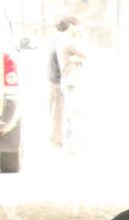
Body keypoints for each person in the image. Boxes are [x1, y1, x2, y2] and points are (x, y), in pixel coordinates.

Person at [55, 16, 87, 151]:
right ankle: (74, 144)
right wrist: (81, 35)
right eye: (76, 26)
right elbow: (86, 53)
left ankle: (70, 143)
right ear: (71, 26)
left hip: (69, 80)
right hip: (71, 81)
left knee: (71, 112)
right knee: (76, 113)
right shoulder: (68, 40)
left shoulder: (63, 39)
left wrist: (77, 58)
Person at [48, 18, 73, 148]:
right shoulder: (63, 41)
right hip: (57, 81)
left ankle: (57, 138)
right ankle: (56, 140)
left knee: (56, 111)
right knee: (58, 113)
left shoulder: (56, 38)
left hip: (53, 80)